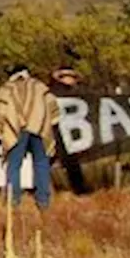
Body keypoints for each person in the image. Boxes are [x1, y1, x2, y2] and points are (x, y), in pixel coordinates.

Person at [0, 64, 61, 210]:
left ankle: (13, 201)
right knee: (41, 164)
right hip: (39, 128)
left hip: (17, 130)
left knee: (14, 164)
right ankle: (43, 201)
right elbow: (54, 110)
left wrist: (0, 130)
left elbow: (0, 111)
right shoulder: (40, 87)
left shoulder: (7, 88)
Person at [47, 66, 89, 194]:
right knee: (69, 162)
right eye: (68, 77)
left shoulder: (73, 94)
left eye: (73, 77)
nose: (71, 80)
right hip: (58, 132)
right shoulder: (56, 93)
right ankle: (79, 190)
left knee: (66, 161)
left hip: (65, 132)